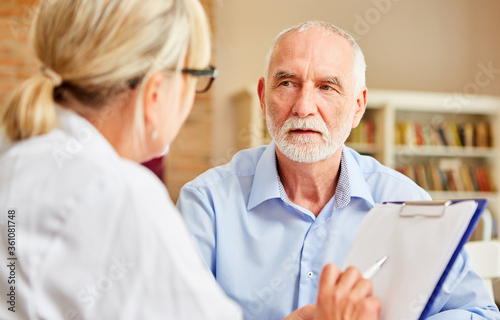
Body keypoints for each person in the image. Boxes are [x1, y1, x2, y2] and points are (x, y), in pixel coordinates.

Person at [0, 0, 382, 319]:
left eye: (327, 87)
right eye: (198, 78)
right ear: (154, 93)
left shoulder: (16, 159)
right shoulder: (123, 195)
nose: (303, 107)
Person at [178, 21, 500, 320]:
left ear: (358, 106)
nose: (304, 107)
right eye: (287, 83)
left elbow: (480, 312)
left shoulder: (406, 202)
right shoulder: (207, 203)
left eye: (327, 87)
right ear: (263, 98)